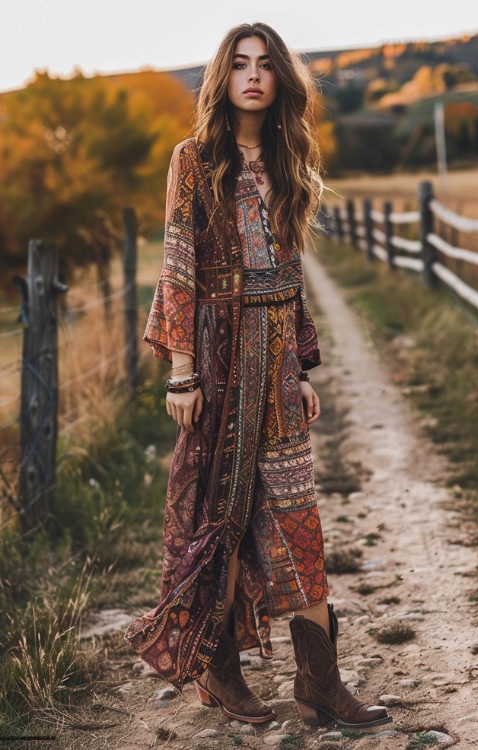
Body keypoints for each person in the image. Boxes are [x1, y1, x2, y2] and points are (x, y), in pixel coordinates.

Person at [125, 22, 392, 730]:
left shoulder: (287, 157)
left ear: (280, 80)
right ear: (224, 77)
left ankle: (320, 685)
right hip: (216, 362)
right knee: (224, 518)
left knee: (300, 520)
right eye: (239, 64)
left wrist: (302, 362)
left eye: (265, 65)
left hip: (274, 364)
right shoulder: (194, 158)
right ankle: (218, 672)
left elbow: (292, 274)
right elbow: (178, 265)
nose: (251, 76)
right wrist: (181, 373)